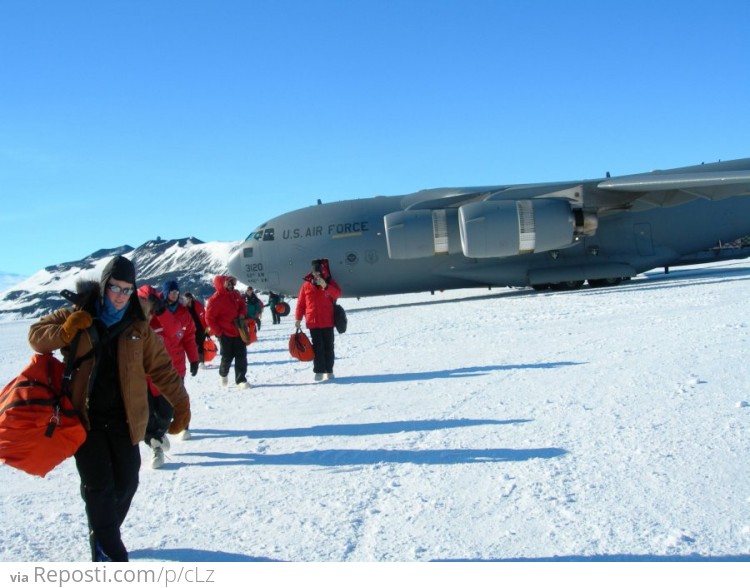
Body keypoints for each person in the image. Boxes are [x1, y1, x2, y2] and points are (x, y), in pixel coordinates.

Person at [28, 255, 190, 562]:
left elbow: (162, 369)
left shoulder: (138, 326)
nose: (120, 295)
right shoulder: (79, 313)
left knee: (127, 483)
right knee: (99, 486)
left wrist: (181, 402)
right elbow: (36, 336)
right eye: (115, 287)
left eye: (127, 289)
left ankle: (103, 530)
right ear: (104, 286)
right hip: (84, 420)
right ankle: (108, 552)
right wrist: (65, 331)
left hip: (124, 421)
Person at [294, 258, 342, 382]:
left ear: (322, 272)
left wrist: (326, 286)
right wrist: (298, 318)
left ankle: (329, 370)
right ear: (312, 273)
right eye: (314, 273)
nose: (316, 275)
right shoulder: (306, 286)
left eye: (318, 273)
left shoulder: (329, 282)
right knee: (317, 347)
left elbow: (337, 294)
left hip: (327, 321)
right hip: (313, 322)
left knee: (328, 346)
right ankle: (319, 371)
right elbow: (300, 304)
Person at [206, 275, 250, 389]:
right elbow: (209, 319)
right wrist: (219, 332)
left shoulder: (235, 295)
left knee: (241, 356)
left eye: (232, 284)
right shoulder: (214, 300)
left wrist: (241, 313)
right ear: (222, 285)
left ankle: (241, 380)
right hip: (225, 334)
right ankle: (223, 374)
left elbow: (242, 305)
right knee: (227, 357)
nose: (231, 286)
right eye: (228, 284)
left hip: (238, 330)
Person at [184, 292, 209, 365]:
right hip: (190, 330)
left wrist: (207, 329)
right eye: (186, 299)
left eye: (189, 298)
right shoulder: (183, 308)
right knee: (194, 345)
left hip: (200, 328)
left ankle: (201, 361)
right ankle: (195, 360)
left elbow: (204, 316)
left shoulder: (198, 305)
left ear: (191, 298)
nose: (188, 300)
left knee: (200, 345)